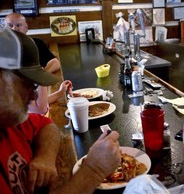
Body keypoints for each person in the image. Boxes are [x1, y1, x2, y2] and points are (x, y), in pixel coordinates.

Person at [0, 27, 121, 193]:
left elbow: (45, 124)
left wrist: (45, 156)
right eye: (28, 83)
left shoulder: (8, 120)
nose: (34, 95)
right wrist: (94, 170)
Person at [4, 12, 64, 114]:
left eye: (18, 25)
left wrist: (59, 93)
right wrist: (39, 77)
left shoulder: (35, 44)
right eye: (10, 25)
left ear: (26, 28)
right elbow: (39, 108)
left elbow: (32, 105)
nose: (14, 29)